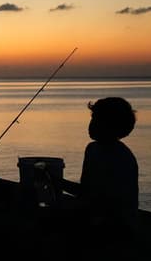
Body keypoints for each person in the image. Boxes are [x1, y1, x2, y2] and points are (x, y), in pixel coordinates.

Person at [58, 96, 140, 239]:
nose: (91, 124)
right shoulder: (92, 149)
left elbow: (100, 201)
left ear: (111, 126)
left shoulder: (120, 157)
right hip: (95, 216)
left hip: (116, 228)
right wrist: (56, 181)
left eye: (97, 120)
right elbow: (87, 191)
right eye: (92, 118)